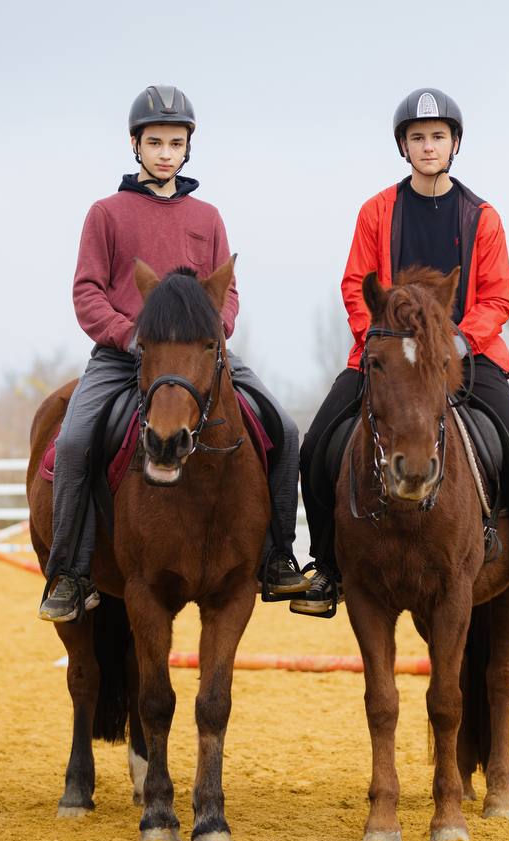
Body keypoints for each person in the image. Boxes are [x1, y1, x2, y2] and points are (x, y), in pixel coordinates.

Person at [294, 87, 509, 617]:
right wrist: (376, 338)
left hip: (465, 354)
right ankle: (326, 566)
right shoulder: (376, 212)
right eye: (418, 138)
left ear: (454, 145)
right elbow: (357, 283)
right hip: (384, 356)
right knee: (315, 446)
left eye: (438, 137)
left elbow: (499, 295)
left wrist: (458, 341)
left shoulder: (482, 217)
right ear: (404, 147)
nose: (428, 147)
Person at [38, 84, 308, 621]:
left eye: (176, 142)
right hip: (124, 357)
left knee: (287, 430)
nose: (166, 152)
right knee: (71, 444)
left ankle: (278, 556)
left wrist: (218, 328)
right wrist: (128, 334)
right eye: (155, 141)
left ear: (189, 147)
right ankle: (68, 572)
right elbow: (87, 291)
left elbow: (226, 290)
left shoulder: (207, 216)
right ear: (135, 145)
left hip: (202, 357)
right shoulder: (106, 213)